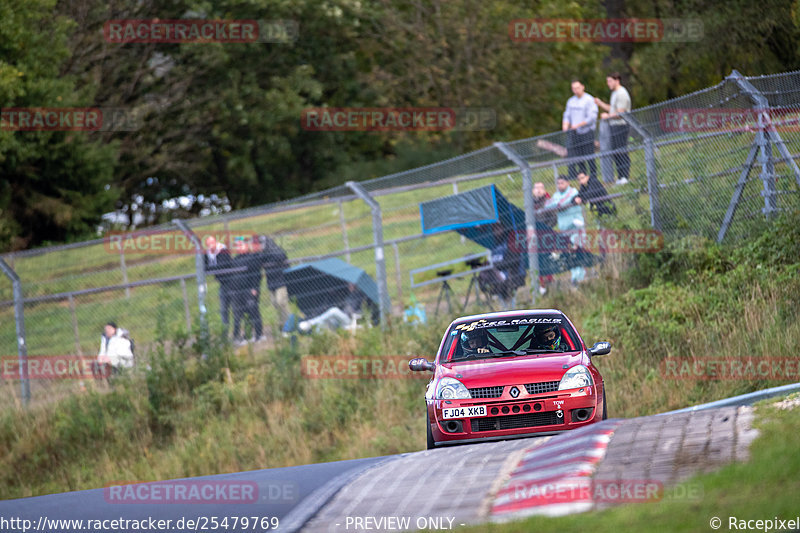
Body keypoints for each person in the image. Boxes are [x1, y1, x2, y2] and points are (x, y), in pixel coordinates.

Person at [545, 175, 586, 286]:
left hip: (576, 228)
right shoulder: (556, 195)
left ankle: (578, 278)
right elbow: (547, 205)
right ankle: (576, 278)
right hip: (564, 230)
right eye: (558, 183)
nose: (559, 185)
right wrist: (559, 205)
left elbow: (565, 201)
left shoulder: (573, 191)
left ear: (568, 183)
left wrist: (559, 205)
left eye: (562, 183)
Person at [595, 72, 632, 185]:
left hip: (620, 125)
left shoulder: (621, 93)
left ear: (617, 80)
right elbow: (613, 109)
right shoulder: (614, 93)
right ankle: (620, 177)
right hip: (614, 125)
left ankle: (625, 176)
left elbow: (620, 112)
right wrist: (600, 104)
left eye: (610, 81)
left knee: (621, 150)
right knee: (616, 151)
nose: (608, 83)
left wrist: (608, 116)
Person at [230, 237, 264, 344]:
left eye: (240, 245)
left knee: (253, 312)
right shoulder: (235, 260)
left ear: (245, 245)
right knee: (239, 314)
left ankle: (259, 335)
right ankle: (244, 335)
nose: (238, 248)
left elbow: (257, 275)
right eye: (237, 246)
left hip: (249, 290)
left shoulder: (252, 257)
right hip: (238, 291)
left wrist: (254, 288)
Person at [563, 79, 598, 181]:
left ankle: (593, 176)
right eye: (573, 88)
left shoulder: (589, 100)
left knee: (589, 155)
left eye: (577, 88)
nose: (576, 90)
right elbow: (567, 115)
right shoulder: (571, 101)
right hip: (575, 133)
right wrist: (565, 125)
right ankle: (581, 176)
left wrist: (578, 125)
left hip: (587, 132)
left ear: (583, 87)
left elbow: (591, 118)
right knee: (577, 156)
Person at [298, 283, 364, 333]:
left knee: (333, 310)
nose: (349, 285)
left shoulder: (358, 294)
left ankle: (310, 323)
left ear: (355, 285)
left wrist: (350, 310)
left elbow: (358, 309)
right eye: (349, 284)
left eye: (351, 284)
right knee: (325, 321)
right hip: (341, 318)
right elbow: (343, 306)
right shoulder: (348, 294)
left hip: (349, 318)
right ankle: (316, 336)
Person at [204, 235, 234, 338]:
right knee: (223, 310)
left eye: (212, 243)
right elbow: (205, 268)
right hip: (222, 283)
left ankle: (237, 333)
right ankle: (225, 335)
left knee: (236, 309)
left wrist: (213, 268)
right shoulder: (208, 253)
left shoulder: (223, 250)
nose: (210, 246)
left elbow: (224, 265)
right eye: (208, 245)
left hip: (232, 282)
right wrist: (214, 268)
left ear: (216, 242)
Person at [258, 235, 291, 329]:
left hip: (281, 281)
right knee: (275, 303)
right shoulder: (262, 254)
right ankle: (283, 323)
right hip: (271, 283)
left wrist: (266, 253)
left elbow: (281, 256)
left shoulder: (276, 251)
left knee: (281, 302)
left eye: (262, 244)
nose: (260, 246)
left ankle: (289, 323)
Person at [532, 182, 556, 294]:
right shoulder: (530, 203)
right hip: (535, 234)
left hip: (546, 233)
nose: (538, 190)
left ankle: (550, 279)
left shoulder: (548, 201)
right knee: (538, 258)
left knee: (547, 256)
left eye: (541, 188)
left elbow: (554, 218)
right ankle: (541, 283)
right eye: (536, 188)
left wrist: (546, 228)